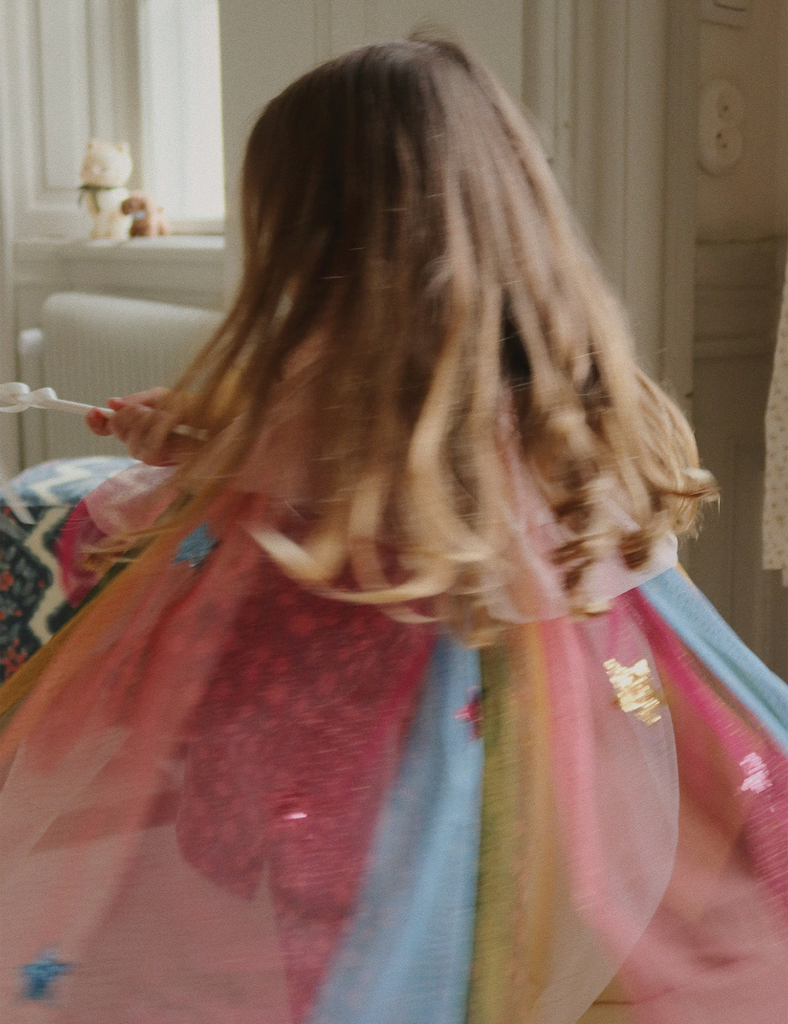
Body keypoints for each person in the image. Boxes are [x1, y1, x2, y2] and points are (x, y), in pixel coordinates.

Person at [1, 37, 787, 1024]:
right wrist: (207, 433)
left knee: (369, 936)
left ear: (327, 235)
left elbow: (285, 458)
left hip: (361, 793)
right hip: (557, 814)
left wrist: (204, 444)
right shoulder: (561, 393)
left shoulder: (364, 411)